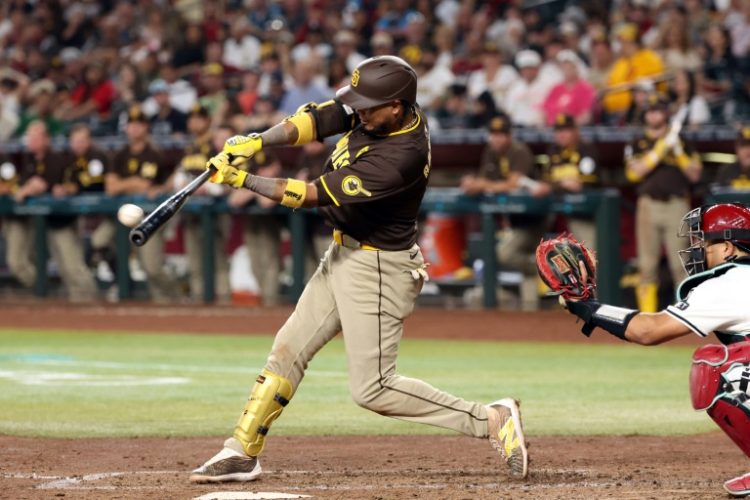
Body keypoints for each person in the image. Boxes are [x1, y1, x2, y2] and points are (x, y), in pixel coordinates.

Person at [189, 55, 528, 483]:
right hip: (342, 253)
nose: (360, 111)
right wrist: (259, 141)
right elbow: (321, 117)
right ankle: (241, 451)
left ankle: (492, 419)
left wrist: (244, 181)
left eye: (370, 105)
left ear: (398, 106)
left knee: (374, 389)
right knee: (288, 348)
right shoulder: (380, 111)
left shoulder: (400, 156)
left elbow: (312, 195)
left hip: (378, 268)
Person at [562, 202, 750, 497]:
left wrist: (587, 307)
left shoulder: (729, 284)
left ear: (727, 248)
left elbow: (648, 331)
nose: (699, 249)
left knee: (717, 367)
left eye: (706, 242)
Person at [460, 113, 550, 310]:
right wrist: (473, 184)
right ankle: (531, 312)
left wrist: (483, 184)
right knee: (523, 263)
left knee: (504, 254)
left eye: (501, 134)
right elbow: (484, 183)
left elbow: (513, 183)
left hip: (534, 216)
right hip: (514, 218)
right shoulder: (490, 152)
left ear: (509, 135)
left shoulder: (520, 151)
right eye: (493, 134)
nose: (496, 138)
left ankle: (547, 268)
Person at [625, 93, 702, 312]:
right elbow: (634, 174)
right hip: (648, 205)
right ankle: (648, 316)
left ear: (665, 113)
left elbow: (694, 175)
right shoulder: (638, 142)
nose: (653, 115)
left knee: (680, 264)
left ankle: (686, 315)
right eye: (649, 111)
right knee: (647, 265)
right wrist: (660, 149)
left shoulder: (682, 141)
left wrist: (677, 151)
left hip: (676, 204)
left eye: (657, 110)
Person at [5, 121, 96, 300]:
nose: (31, 141)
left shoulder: (57, 158)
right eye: (29, 137)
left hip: (61, 220)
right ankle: (61, 298)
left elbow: (43, 185)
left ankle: (91, 301)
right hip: (41, 222)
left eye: (35, 137)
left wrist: (26, 190)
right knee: (60, 267)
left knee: (72, 266)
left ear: (46, 139)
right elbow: (22, 183)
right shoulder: (28, 159)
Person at [107, 105, 178, 302]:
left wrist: (159, 188)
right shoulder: (120, 154)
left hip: (150, 217)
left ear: (146, 127)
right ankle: (125, 286)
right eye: (131, 124)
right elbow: (111, 187)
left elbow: (167, 182)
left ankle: (174, 298)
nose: (134, 128)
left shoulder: (155, 153)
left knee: (151, 267)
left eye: (139, 124)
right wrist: (133, 183)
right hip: (120, 216)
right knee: (99, 243)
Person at [174, 104, 231, 303]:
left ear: (208, 121)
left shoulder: (217, 144)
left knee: (219, 259)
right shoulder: (191, 147)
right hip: (192, 211)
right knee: (195, 261)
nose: (195, 122)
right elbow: (180, 175)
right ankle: (199, 303)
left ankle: (224, 302)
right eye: (192, 118)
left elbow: (228, 175)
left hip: (215, 209)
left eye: (199, 118)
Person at [542, 114, 600, 249]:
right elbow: (545, 182)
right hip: (558, 208)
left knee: (591, 253)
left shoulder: (586, 149)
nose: (561, 135)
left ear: (575, 131)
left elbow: (579, 186)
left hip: (584, 212)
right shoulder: (553, 151)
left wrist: (556, 183)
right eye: (558, 131)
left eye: (566, 130)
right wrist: (563, 183)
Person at [66, 123, 115, 282]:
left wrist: (74, 187)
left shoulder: (97, 156)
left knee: (99, 244)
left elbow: (94, 183)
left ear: (89, 141)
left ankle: (120, 280)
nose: (78, 145)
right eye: (75, 141)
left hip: (107, 213)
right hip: (84, 214)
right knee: (84, 249)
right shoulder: (70, 158)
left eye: (81, 140)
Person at [714, 126, 750, 190]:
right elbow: (719, 197)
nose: (748, 151)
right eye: (744, 146)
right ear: (737, 149)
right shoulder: (726, 171)